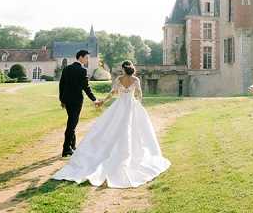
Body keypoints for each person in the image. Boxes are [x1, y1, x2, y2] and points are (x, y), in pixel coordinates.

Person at [52, 60, 171, 188]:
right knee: (132, 131)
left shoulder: (119, 79)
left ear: (123, 69)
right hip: (131, 105)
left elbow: (112, 93)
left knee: (111, 128)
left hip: (119, 105)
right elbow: (139, 94)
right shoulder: (136, 80)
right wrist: (137, 103)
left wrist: (102, 101)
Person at [59, 49, 102, 157]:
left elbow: (61, 85)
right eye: (87, 57)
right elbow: (86, 88)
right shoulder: (82, 70)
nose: (87, 60)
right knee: (72, 125)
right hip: (77, 101)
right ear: (81, 57)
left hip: (67, 100)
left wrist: (62, 100)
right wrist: (94, 99)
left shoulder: (67, 69)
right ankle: (66, 149)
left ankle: (72, 146)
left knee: (71, 122)